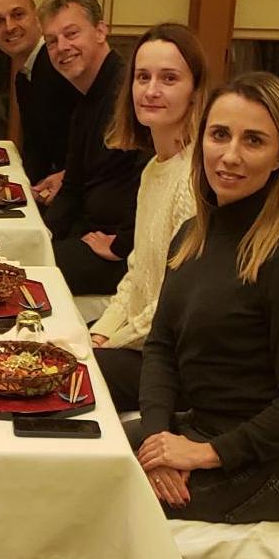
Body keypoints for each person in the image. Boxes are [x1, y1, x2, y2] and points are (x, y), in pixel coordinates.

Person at [135, 72, 279, 559]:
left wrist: (201, 454)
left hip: (263, 460)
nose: (231, 156)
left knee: (113, 510)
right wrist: (159, 436)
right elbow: (162, 346)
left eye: (254, 141)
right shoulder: (194, 232)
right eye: (220, 135)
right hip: (194, 429)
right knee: (81, 469)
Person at [90, 22, 209, 411]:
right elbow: (138, 273)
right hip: (141, 344)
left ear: (195, 93)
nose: (151, 90)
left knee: (58, 375)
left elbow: (175, 306)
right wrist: (102, 333)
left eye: (169, 78)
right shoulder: (155, 169)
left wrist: (112, 340)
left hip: (174, 364)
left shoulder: (193, 180)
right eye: (143, 77)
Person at [39, 0, 147, 296]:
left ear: (101, 31)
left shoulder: (128, 93)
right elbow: (73, 185)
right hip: (88, 230)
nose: (62, 47)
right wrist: (42, 234)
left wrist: (123, 242)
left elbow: (151, 177)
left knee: (27, 275)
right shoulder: (87, 98)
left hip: (120, 250)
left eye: (71, 33)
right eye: (51, 41)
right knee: (24, 255)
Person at [0, 0, 75, 188]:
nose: (9, 27)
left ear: (37, 18)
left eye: (18, 15)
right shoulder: (26, 75)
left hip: (82, 185)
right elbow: (37, 148)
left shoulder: (58, 63)